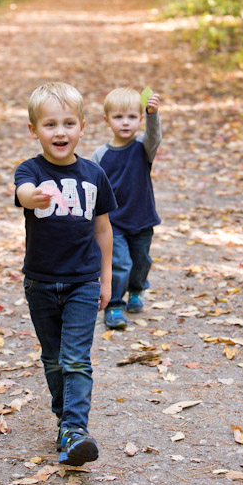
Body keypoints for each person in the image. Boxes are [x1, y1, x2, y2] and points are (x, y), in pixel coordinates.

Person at [14, 81, 117, 466]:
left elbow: (103, 229)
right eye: (51, 125)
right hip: (39, 281)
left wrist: (106, 280)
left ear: (82, 127)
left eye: (69, 123)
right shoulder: (30, 170)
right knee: (53, 359)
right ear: (34, 130)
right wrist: (33, 196)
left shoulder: (94, 174)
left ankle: (75, 429)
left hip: (83, 282)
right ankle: (64, 420)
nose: (60, 132)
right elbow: (22, 192)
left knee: (76, 359)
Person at [92, 86, 162, 329]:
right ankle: (113, 305)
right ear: (107, 120)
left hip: (142, 219)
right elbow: (94, 189)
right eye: (118, 117)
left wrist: (153, 114)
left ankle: (137, 289)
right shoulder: (100, 155)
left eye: (132, 117)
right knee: (120, 263)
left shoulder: (143, 147)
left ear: (140, 120)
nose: (125, 123)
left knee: (141, 261)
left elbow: (155, 136)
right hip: (114, 223)